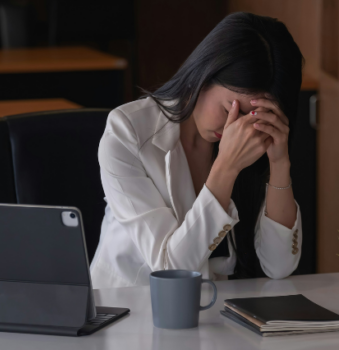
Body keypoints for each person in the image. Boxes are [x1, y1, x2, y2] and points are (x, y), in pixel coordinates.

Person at [90, 11, 304, 289]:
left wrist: (280, 164)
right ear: (205, 73)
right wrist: (226, 168)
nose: (235, 130)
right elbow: (170, 270)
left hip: (213, 312)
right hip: (128, 309)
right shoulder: (128, 132)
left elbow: (278, 267)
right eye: (230, 109)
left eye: (255, 118)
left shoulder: (253, 139)